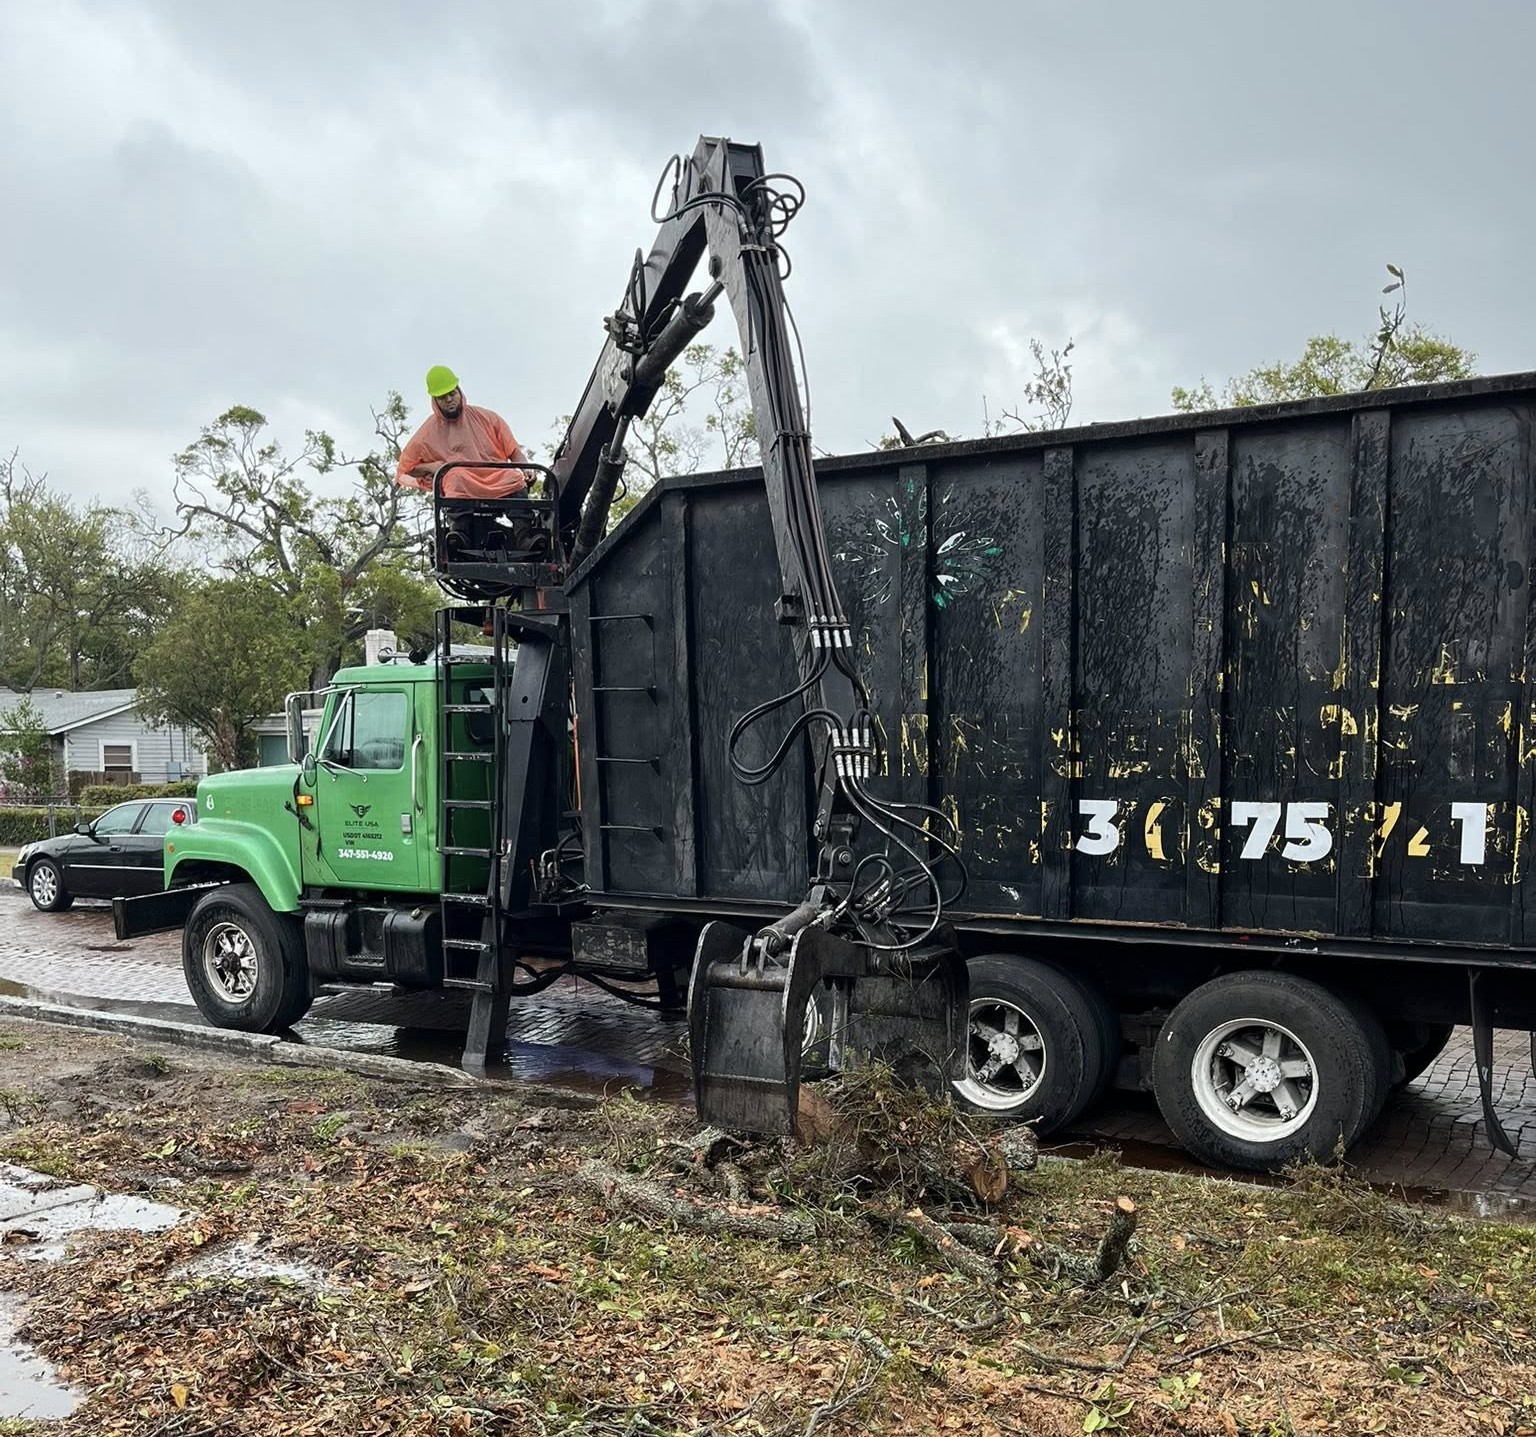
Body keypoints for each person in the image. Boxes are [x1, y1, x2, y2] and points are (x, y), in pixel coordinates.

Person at [395, 365, 531, 499]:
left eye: (452, 393)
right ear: (435, 401)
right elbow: (406, 470)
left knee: (514, 477)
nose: (449, 400)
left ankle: (523, 514)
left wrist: (526, 468)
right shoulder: (425, 435)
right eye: (442, 397)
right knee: (455, 478)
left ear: (460, 392)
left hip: (499, 478)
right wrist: (432, 467)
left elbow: (513, 451)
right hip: (462, 486)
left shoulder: (488, 418)